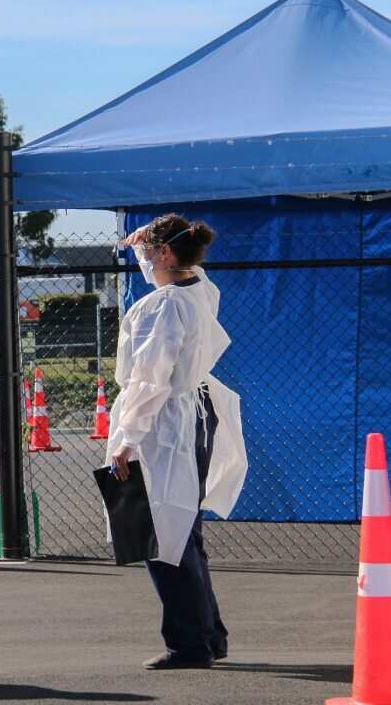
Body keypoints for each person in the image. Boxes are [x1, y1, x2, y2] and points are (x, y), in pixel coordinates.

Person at [109, 213, 249, 670]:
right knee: (184, 530)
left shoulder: (161, 308)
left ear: (166, 254)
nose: (146, 263)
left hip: (166, 425)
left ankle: (188, 642)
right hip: (195, 416)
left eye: (151, 253)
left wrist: (127, 439)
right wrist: (141, 246)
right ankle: (208, 634)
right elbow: (175, 275)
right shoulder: (200, 290)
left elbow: (150, 380)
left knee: (161, 534)